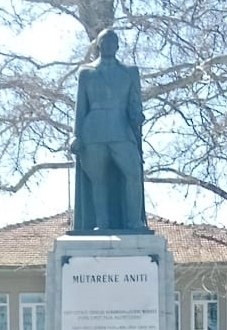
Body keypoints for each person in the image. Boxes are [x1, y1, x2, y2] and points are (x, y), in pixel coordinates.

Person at [70, 28, 146, 233]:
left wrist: (137, 115)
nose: (109, 45)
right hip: (92, 132)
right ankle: (101, 223)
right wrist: (75, 135)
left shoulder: (130, 72)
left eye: (113, 42)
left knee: (133, 173)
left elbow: (135, 102)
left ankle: (134, 222)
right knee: (98, 180)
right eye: (105, 42)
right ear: (98, 45)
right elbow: (81, 106)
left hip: (121, 130)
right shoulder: (86, 72)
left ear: (118, 46)